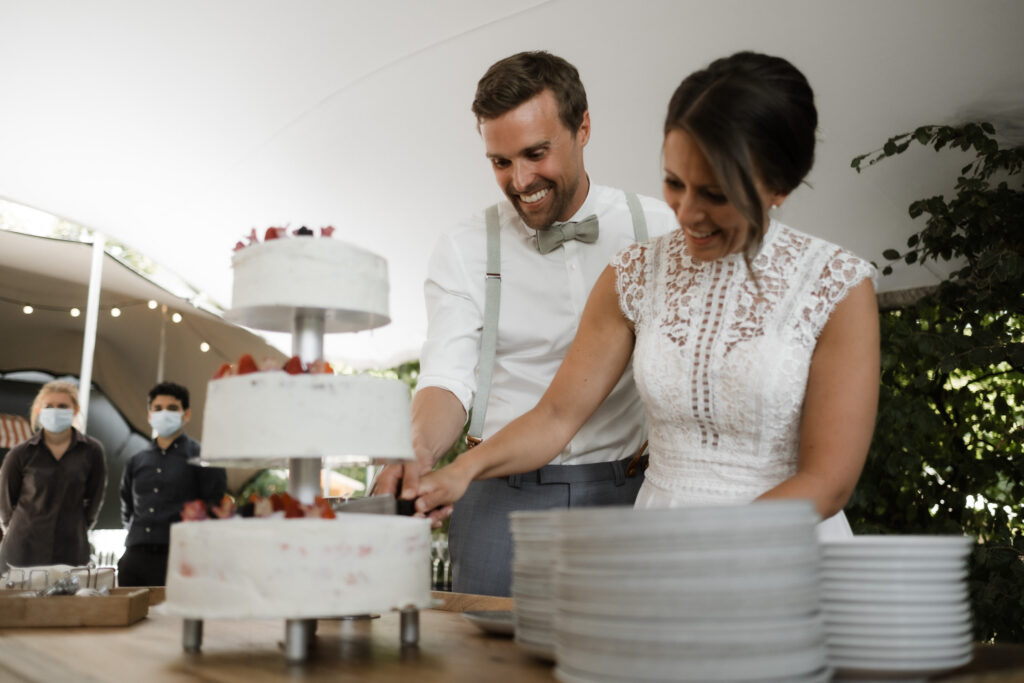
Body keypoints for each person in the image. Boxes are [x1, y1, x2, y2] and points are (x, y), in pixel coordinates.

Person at [414, 51, 880, 539]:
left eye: (715, 194)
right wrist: (456, 471)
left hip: (776, 542)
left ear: (778, 186)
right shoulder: (634, 271)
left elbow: (829, 481)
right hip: (656, 532)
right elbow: (555, 416)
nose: (688, 214)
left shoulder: (840, 286)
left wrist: (709, 546)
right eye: (675, 184)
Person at [373, 50, 678, 596]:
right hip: (497, 499)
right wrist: (419, 450)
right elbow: (446, 378)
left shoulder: (658, 228)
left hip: (630, 493)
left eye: (537, 153)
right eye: (500, 161)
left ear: (583, 127)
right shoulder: (465, 247)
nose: (520, 180)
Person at [118, 382, 226, 586]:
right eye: (158, 409)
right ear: (150, 415)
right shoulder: (136, 460)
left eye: (172, 408)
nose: (164, 413)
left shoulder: (203, 457)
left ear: (186, 414)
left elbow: (214, 507)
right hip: (134, 557)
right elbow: (127, 508)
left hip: (181, 557)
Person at [0, 380, 107, 568]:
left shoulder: (92, 451)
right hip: (23, 548)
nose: (55, 410)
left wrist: (77, 526)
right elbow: (6, 503)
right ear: (39, 410)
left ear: (74, 410)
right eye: (49, 406)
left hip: (71, 549)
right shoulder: (20, 453)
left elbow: (94, 498)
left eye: (62, 406)